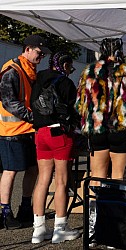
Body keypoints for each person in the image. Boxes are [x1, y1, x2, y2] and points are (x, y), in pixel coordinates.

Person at [75, 38, 126, 246]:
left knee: (96, 178)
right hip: (120, 128)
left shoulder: (88, 71)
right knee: (118, 177)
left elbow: (80, 103)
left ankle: (93, 227)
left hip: (96, 129)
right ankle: (115, 231)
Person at [0, 34, 51, 229]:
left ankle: (25, 207)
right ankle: (5, 212)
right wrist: (35, 118)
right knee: (10, 171)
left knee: (32, 169)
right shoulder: (11, 71)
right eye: (39, 53)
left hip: (28, 130)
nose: (41, 57)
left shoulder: (31, 70)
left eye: (43, 54)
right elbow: (10, 102)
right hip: (11, 131)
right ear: (28, 49)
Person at [30, 52, 80, 243]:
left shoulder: (38, 80)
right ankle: (60, 228)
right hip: (59, 134)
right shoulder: (65, 83)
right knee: (61, 181)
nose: (70, 69)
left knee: (42, 180)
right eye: (69, 65)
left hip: (40, 133)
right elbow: (74, 110)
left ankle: (39, 229)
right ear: (64, 65)